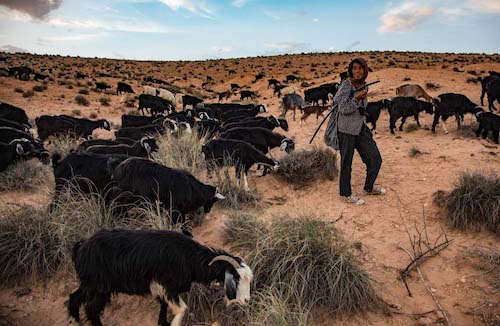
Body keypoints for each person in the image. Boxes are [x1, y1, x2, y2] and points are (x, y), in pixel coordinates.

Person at [325, 57, 384, 205]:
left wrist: (361, 104)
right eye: (354, 68)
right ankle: (346, 194)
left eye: (360, 68)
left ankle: (368, 188)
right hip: (346, 129)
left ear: (365, 70)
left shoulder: (364, 84)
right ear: (350, 70)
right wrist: (356, 99)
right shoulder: (346, 84)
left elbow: (361, 105)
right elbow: (342, 108)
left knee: (375, 158)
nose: (357, 71)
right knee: (347, 163)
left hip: (360, 127)